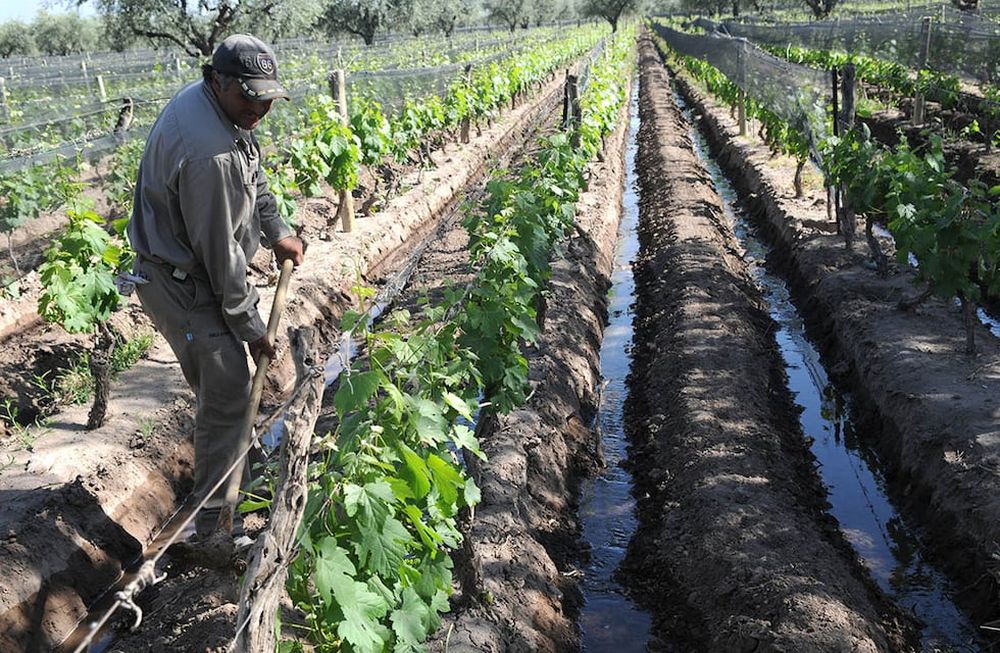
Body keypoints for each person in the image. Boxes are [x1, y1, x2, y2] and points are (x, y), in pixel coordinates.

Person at [128, 34, 305, 538]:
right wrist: (252, 330)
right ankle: (213, 526)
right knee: (227, 387)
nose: (260, 107)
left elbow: (255, 176)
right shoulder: (209, 153)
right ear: (217, 81)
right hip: (180, 281)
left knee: (226, 389)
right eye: (250, 96)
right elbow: (222, 256)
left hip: (194, 267)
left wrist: (278, 232)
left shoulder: (224, 114)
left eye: (267, 96)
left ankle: (236, 493)